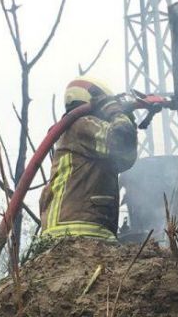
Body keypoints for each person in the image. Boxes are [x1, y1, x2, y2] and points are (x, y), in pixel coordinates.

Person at [39, 77, 138, 242]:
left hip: (69, 228)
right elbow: (121, 141)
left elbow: (126, 157)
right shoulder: (82, 124)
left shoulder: (74, 131)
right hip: (79, 228)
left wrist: (126, 119)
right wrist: (116, 112)